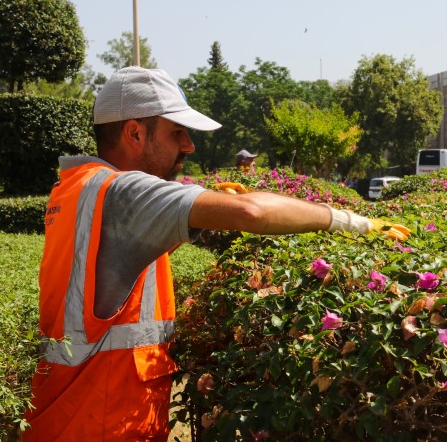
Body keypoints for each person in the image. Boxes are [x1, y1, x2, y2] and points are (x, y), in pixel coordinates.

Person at [22, 66, 408, 441]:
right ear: (135, 133)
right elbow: (252, 212)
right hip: (99, 425)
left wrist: (209, 208)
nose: (189, 145)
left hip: (70, 417)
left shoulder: (78, 188)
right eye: (177, 132)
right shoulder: (125, 193)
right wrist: (352, 222)